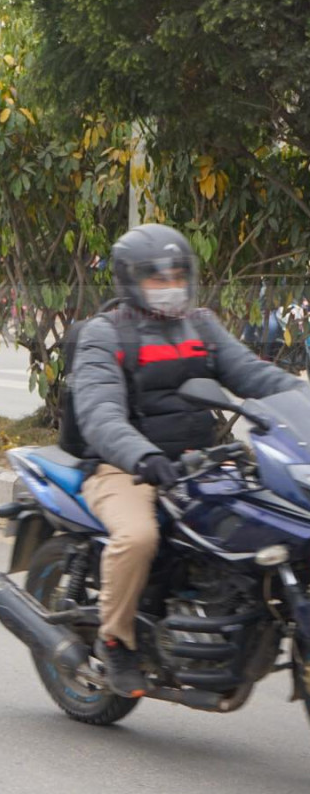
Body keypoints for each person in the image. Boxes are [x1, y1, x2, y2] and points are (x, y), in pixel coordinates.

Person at [71, 223, 309, 698]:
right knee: (139, 537)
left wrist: (302, 394)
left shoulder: (200, 324)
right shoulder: (106, 334)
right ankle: (116, 640)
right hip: (125, 466)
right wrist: (143, 457)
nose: (170, 286)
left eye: (177, 275)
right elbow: (99, 414)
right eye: (158, 278)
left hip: (200, 462)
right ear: (130, 281)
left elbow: (254, 375)